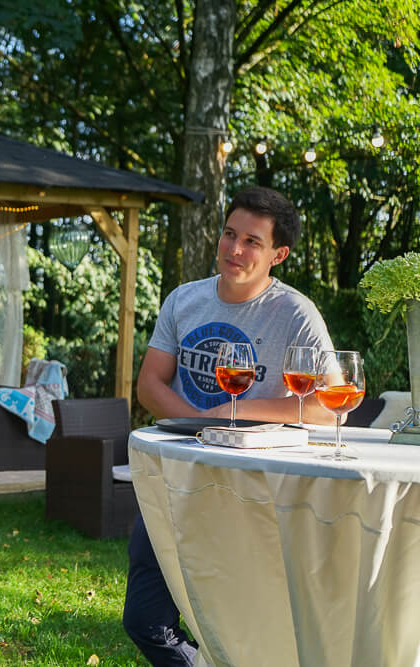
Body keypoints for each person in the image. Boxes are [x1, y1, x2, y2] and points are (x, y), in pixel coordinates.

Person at [123, 186, 335, 666]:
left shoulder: (296, 314)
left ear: (278, 254)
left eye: (252, 242)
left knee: (240, 625)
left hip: (251, 491)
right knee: (145, 619)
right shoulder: (184, 300)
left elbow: (327, 404)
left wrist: (237, 415)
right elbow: (149, 386)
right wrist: (201, 426)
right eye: (229, 235)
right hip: (175, 475)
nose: (234, 250)